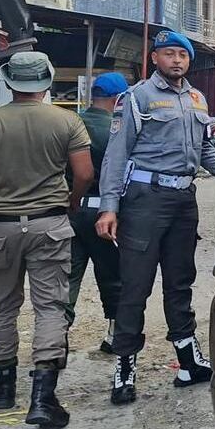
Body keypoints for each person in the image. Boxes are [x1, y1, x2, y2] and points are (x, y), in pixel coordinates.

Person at [0, 52, 94, 429]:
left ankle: (4, 387)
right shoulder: (67, 121)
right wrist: (72, 200)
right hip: (49, 225)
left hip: (1, 227)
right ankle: (43, 398)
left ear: (10, 82)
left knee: (1, 307)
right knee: (50, 307)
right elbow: (84, 173)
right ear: (47, 81)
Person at [95, 30, 215, 405]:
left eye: (183, 54)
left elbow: (206, 153)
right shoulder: (137, 98)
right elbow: (116, 155)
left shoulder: (197, 99)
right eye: (169, 53)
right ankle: (124, 371)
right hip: (145, 201)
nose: (177, 60)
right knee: (136, 285)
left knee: (181, 282)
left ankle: (188, 362)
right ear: (155, 59)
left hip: (184, 200)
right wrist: (109, 206)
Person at [65, 72, 129, 352]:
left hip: (70, 210)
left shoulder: (71, 123)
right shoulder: (118, 128)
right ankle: (114, 336)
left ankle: (57, 342)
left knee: (67, 276)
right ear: (118, 99)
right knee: (113, 275)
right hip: (105, 211)